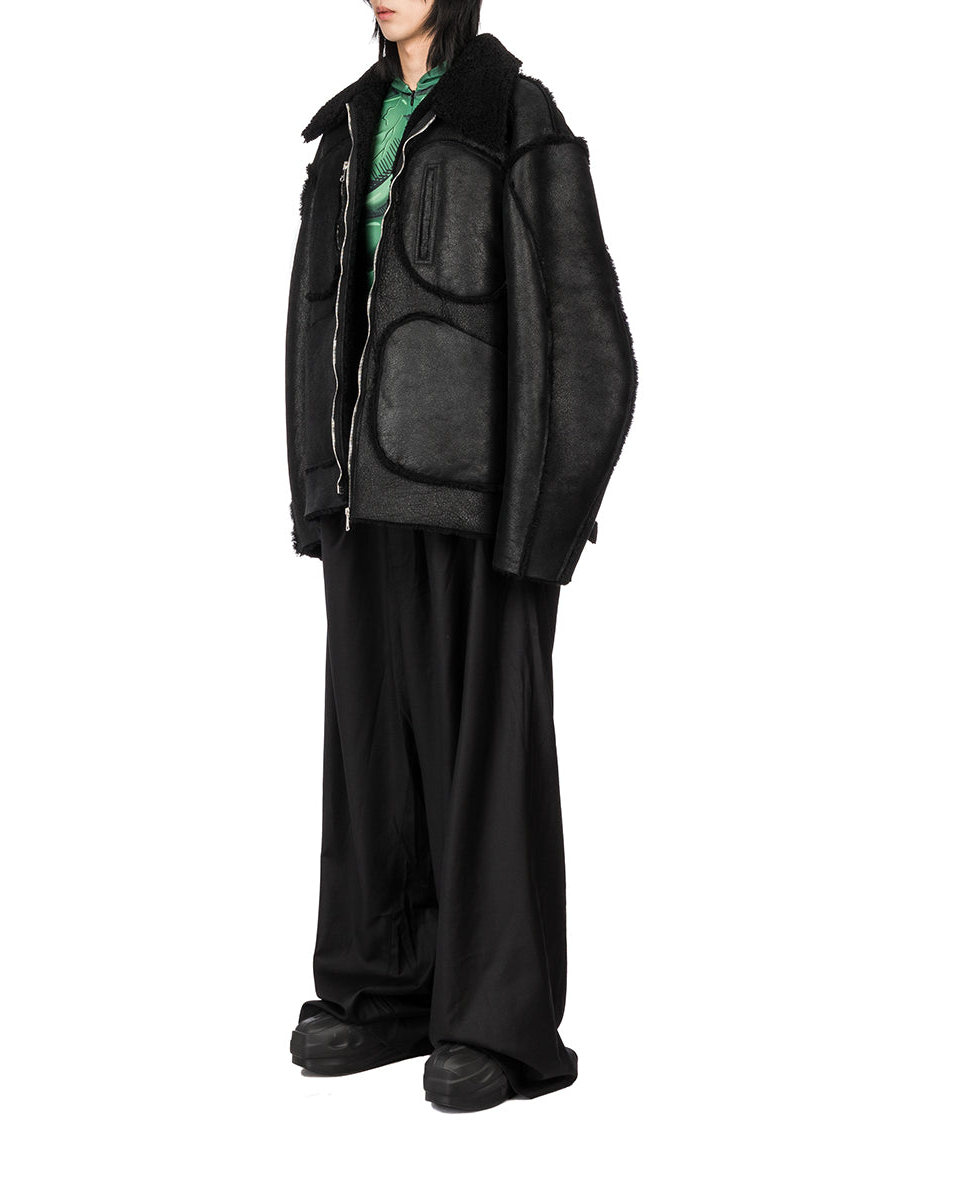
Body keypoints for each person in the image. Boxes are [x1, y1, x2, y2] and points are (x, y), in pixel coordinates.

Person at [283, 0, 637, 1111]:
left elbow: (587, 336)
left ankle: (496, 1022)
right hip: (365, 496)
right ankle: (386, 988)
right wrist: (313, 481)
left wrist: (547, 515)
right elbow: (314, 316)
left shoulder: (513, 115)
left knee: (488, 759)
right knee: (372, 751)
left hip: (480, 502)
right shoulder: (347, 128)